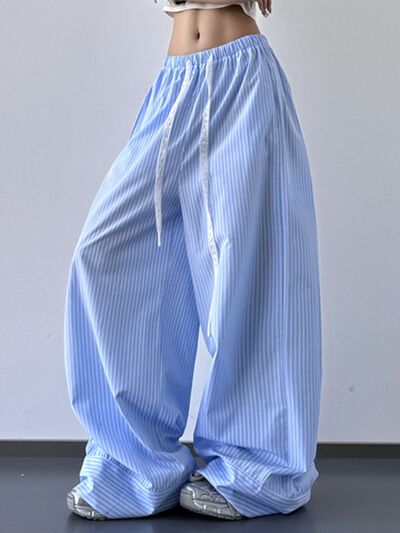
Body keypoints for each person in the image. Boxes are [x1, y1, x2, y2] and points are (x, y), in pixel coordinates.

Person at [64, 0, 323, 522]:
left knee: (252, 272)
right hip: (175, 84)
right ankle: (134, 463)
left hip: (243, 80)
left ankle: (258, 467)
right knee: (106, 252)